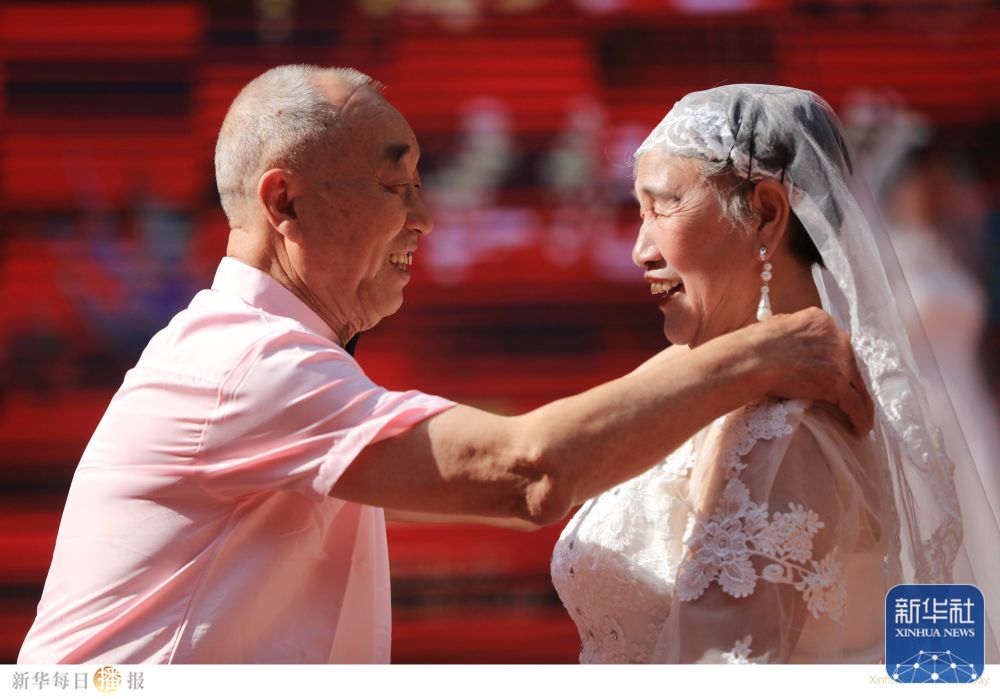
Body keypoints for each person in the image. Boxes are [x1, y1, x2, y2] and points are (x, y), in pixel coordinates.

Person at [19, 67, 870, 665]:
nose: (427, 218)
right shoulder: (245, 362)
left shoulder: (264, 353)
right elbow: (525, 472)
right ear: (284, 201)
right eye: (397, 186)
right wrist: (761, 350)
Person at [551, 84, 1000, 664]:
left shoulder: (777, 430)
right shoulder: (720, 381)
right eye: (640, 213)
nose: (641, 250)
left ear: (765, 214)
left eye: (661, 207)